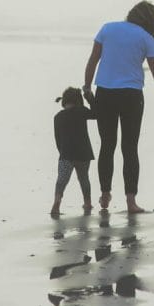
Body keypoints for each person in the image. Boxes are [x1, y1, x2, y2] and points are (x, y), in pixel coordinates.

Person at [83, 1, 154, 213]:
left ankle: (104, 194)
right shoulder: (145, 38)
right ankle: (131, 202)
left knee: (107, 145)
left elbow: (93, 60)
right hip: (131, 96)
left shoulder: (107, 28)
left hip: (105, 93)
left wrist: (86, 86)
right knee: (130, 148)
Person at [51, 87, 97, 216]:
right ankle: (87, 202)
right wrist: (91, 100)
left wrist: (62, 152)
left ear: (64, 101)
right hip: (83, 153)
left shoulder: (58, 117)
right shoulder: (81, 111)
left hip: (66, 153)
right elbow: (96, 114)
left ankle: (57, 201)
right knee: (84, 179)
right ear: (78, 100)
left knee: (62, 180)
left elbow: (57, 138)